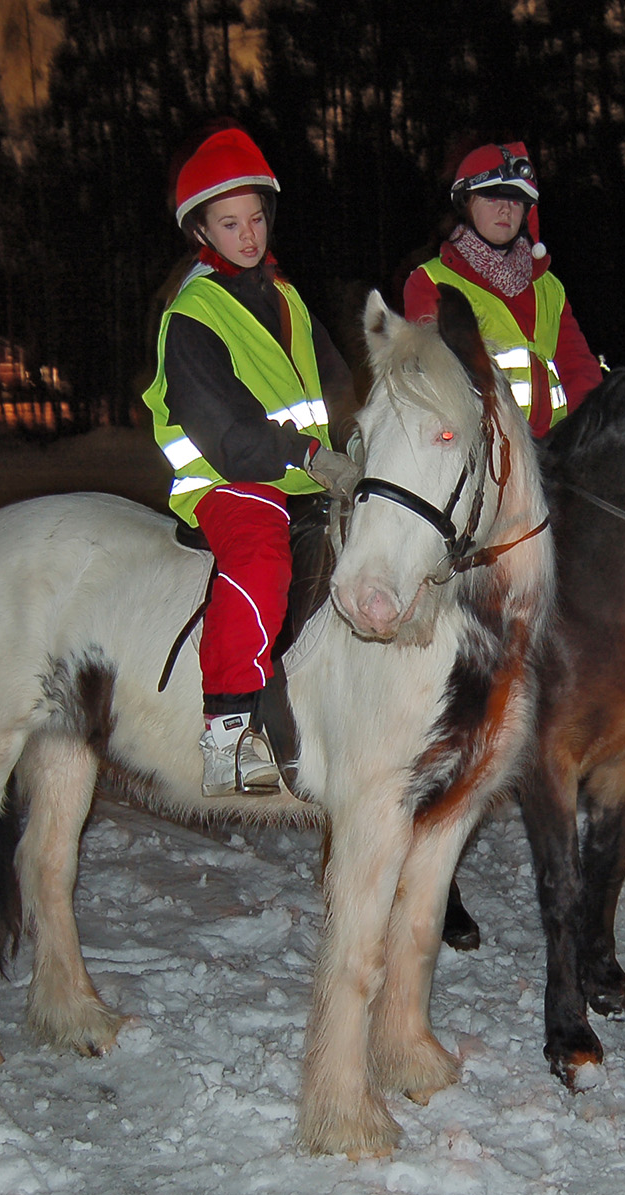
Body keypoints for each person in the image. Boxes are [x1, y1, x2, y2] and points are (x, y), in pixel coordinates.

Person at [141, 126, 357, 797]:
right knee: (262, 556)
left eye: (256, 219)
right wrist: (311, 454)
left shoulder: (285, 297)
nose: (248, 235)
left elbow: (338, 385)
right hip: (230, 479)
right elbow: (229, 437)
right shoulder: (192, 316)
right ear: (201, 230)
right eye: (230, 223)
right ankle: (228, 727)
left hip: (304, 473)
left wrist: (360, 446)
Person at [401, 141, 602, 437]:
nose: (506, 209)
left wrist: (590, 430)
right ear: (466, 204)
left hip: (554, 451)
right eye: (492, 197)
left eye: (516, 200)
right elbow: (440, 382)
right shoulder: (430, 282)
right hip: (483, 454)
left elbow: (579, 369)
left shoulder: (548, 287)